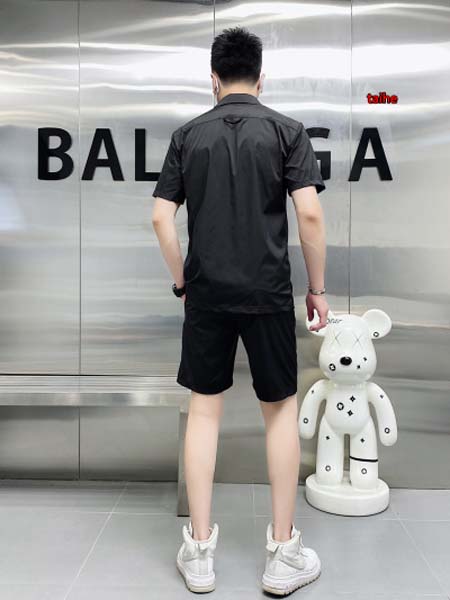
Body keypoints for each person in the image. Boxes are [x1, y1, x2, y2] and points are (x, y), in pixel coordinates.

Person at [152, 26, 329, 595]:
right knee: (279, 411)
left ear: (213, 78)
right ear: (260, 78)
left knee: (204, 412)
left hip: (207, 293)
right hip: (267, 292)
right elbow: (310, 216)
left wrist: (183, 281)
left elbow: (160, 217)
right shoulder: (287, 131)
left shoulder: (187, 136)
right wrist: (317, 290)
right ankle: (283, 553)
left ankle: (200, 552)